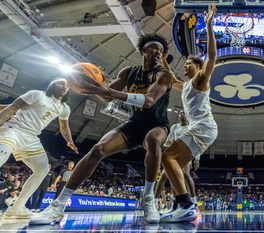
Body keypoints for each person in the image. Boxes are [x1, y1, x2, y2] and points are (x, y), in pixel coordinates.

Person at [30, 34, 173, 224]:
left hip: (157, 124)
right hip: (134, 123)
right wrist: (94, 86)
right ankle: (58, 205)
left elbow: (148, 101)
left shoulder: (164, 74)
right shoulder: (128, 72)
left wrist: (106, 91)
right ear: (143, 50)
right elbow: (106, 96)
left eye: (161, 51)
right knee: (97, 150)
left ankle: (148, 199)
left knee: (153, 140)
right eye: (155, 48)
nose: (158, 53)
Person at [160, 4, 218, 222]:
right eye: (184, 64)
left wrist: (210, 25)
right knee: (171, 165)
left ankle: (186, 204)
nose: (184, 67)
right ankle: (180, 205)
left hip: (203, 127)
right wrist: (165, 62)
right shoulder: (185, 85)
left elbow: (212, 57)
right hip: (198, 128)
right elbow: (172, 79)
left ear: (197, 66)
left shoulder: (201, 80)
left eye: (188, 64)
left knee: (168, 157)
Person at [0, 79, 78, 219]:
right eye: (61, 84)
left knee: (43, 169)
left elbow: (64, 127)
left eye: (67, 86)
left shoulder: (64, 108)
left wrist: (69, 141)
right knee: (2, 155)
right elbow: (12, 108)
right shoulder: (37, 94)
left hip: (32, 138)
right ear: (53, 85)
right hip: (14, 129)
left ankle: (16, 208)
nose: (65, 87)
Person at [155, 110, 199, 211]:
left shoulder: (191, 128)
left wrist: (197, 158)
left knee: (186, 175)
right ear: (178, 116)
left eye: (184, 112)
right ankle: (155, 202)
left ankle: (194, 201)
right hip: (174, 154)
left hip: (185, 154)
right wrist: (168, 143)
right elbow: (168, 141)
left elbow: (196, 144)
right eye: (180, 113)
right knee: (164, 177)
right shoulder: (175, 127)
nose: (182, 114)